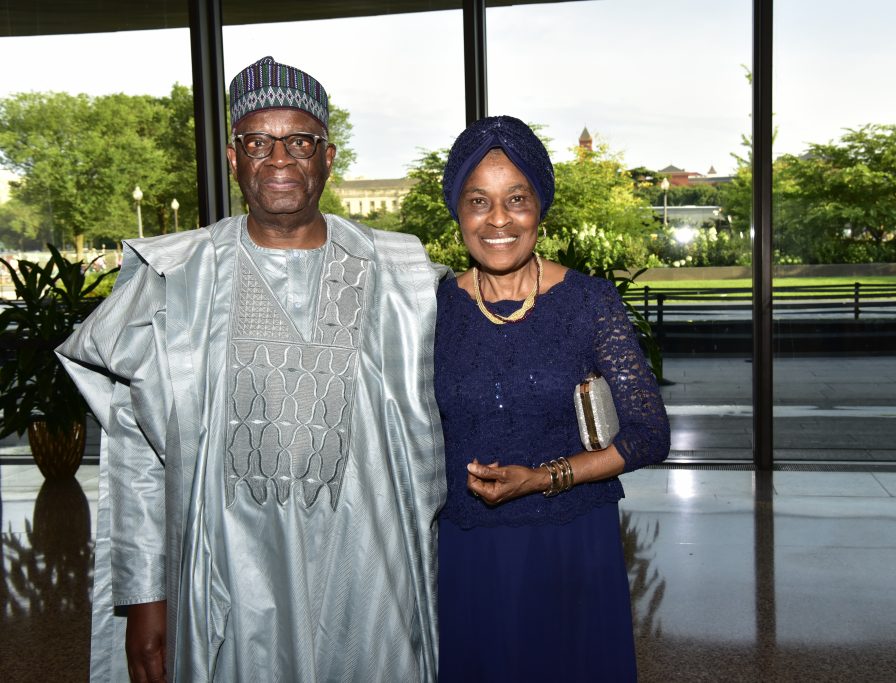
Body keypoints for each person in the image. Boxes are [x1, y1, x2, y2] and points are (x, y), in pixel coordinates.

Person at [57, 56, 446, 682]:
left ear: (328, 155)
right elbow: (137, 458)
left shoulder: (402, 277)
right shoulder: (173, 281)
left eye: (300, 141)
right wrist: (143, 598)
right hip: (228, 580)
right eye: (258, 142)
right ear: (234, 159)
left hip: (371, 581)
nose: (280, 159)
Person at [433, 115, 670, 682]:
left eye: (516, 199)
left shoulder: (589, 302)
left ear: (539, 205)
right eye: (478, 201)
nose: (498, 220)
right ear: (458, 211)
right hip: (469, 552)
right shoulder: (431, 311)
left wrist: (542, 478)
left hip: (571, 546)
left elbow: (649, 433)